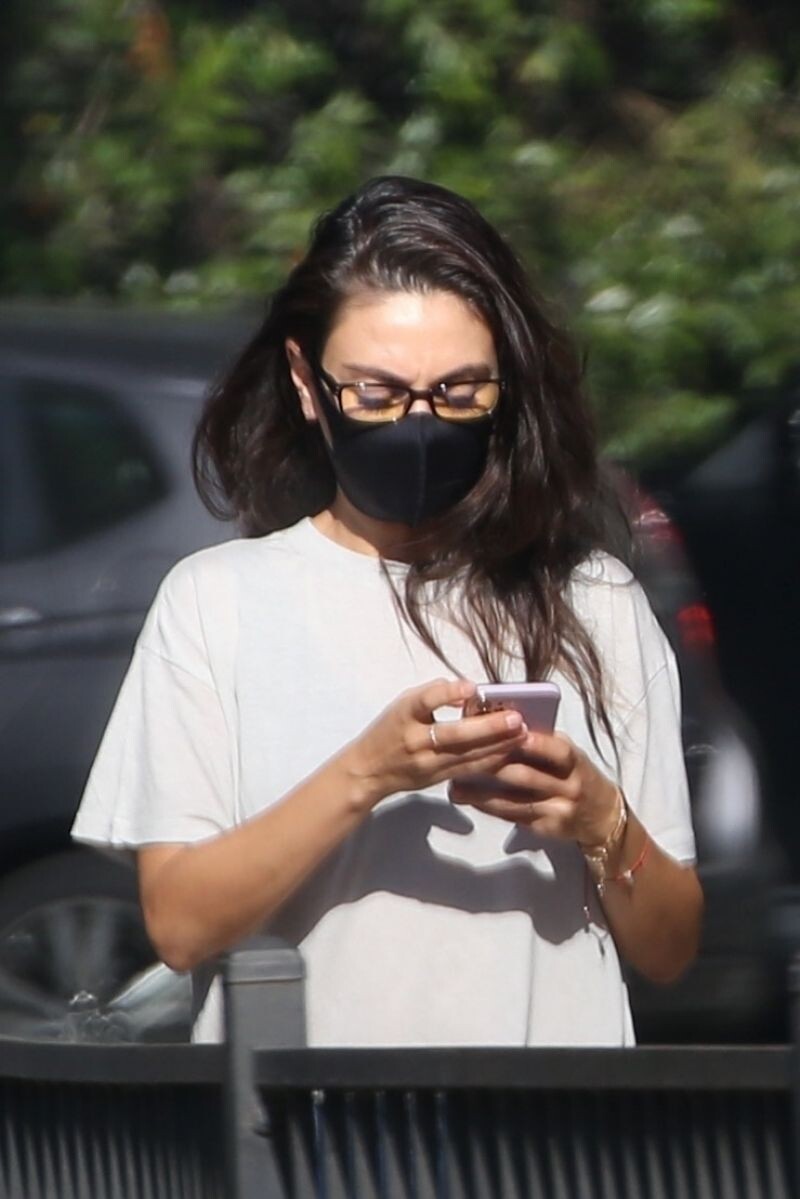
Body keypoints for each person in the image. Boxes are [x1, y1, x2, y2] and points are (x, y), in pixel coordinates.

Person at [72, 176, 703, 1047]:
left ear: (506, 389)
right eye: (376, 393)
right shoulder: (219, 601)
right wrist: (367, 774)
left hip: (546, 1117)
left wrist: (601, 819)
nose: (418, 423)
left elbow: (670, 948)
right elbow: (179, 923)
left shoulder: (592, 600)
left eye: (460, 392)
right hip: (314, 1119)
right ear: (307, 382)